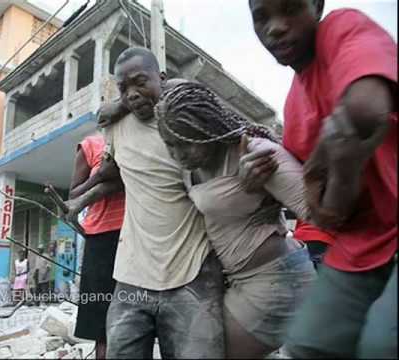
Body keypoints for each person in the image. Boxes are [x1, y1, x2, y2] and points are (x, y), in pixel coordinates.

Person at [247, 0, 397, 357]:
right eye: (261, 18)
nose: (276, 27)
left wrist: (330, 150)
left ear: (317, 5)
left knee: (382, 345)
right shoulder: (294, 113)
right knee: (306, 346)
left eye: (289, 9)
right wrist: (341, 169)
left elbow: (366, 106)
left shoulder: (342, 29)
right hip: (361, 246)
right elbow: (330, 213)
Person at [69, 47, 225, 359]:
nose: (132, 94)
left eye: (141, 82)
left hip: (191, 272)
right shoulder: (115, 127)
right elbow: (118, 176)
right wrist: (81, 201)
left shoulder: (189, 120)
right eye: (124, 88)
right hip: (131, 276)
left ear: (162, 79)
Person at [155, 81, 316, 358]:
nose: (178, 155)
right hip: (239, 283)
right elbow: (160, 88)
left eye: (186, 144)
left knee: (202, 354)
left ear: (209, 128)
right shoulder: (190, 166)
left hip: (277, 282)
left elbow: (318, 211)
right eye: (171, 146)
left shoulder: (255, 154)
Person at [65, 133, 125, 359]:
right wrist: (100, 175)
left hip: (137, 234)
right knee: (102, 320)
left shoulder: (138, 139)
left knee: (137, 314)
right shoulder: (90, 145)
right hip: (100, 238)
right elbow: (73, 194)